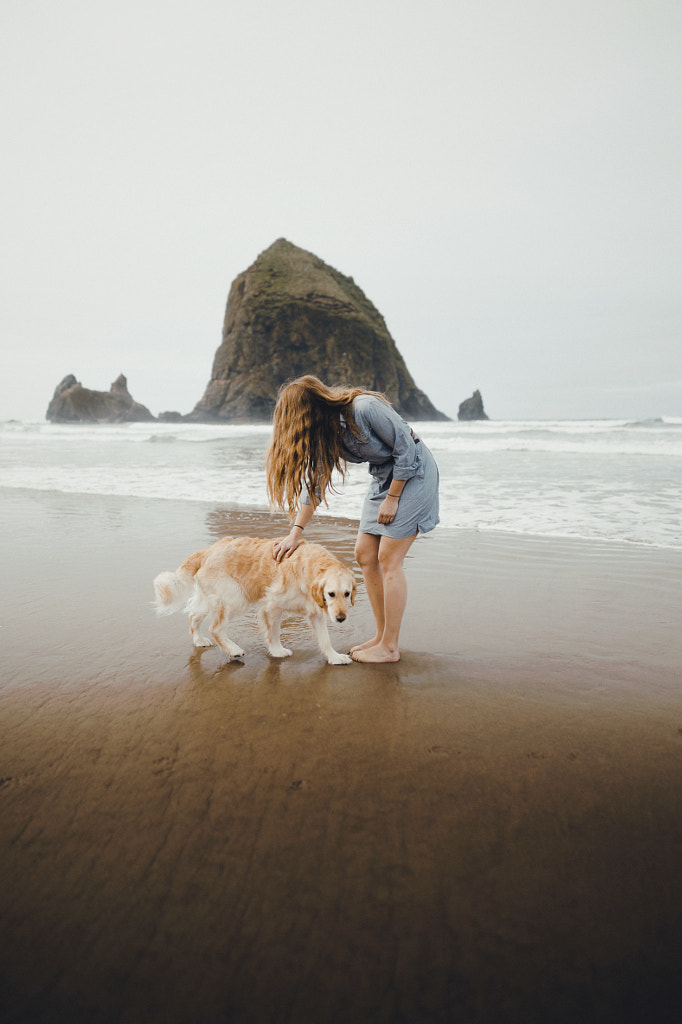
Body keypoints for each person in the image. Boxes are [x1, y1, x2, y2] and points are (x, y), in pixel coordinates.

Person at [266, 375, 440, 663]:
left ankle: (390, 647)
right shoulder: (324, 434)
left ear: (312, 409)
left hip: (415, 472)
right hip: (383, 476)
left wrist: (393, 498)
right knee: (364, 554)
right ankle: (381, 636)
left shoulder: (364, 408)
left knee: (388, 557)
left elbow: (407, 450)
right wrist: (295, 533)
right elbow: (316, 485)